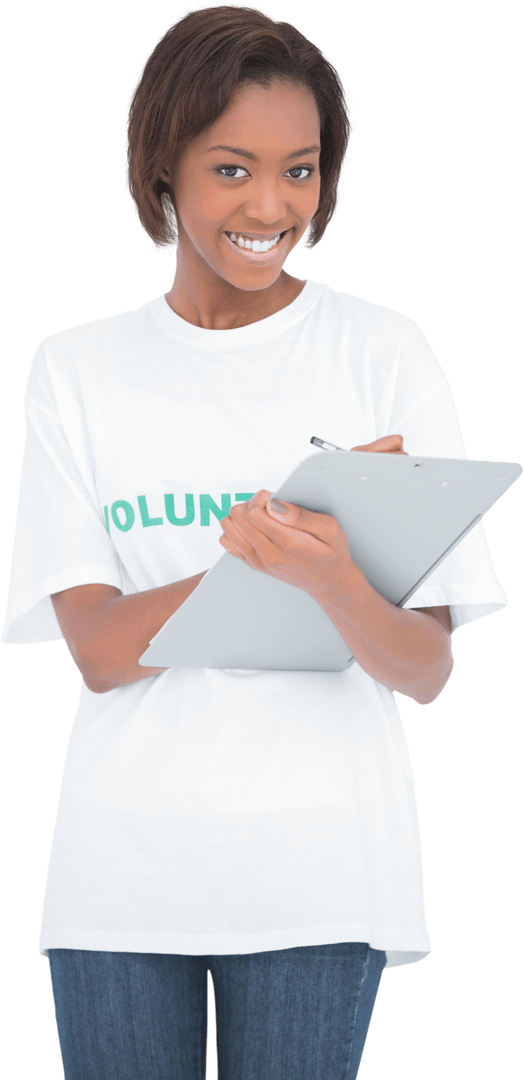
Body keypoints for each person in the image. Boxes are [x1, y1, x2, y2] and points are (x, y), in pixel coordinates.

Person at [0, 4, 508, 1079]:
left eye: (300, 169)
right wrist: (260, 553)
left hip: (321, 867)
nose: (269, 207)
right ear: (163, 169)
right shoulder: (76, 369)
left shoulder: (382, 353)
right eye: (231, 168)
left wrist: (330, 578)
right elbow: (97, 650)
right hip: (120, 873)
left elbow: (423, 669)